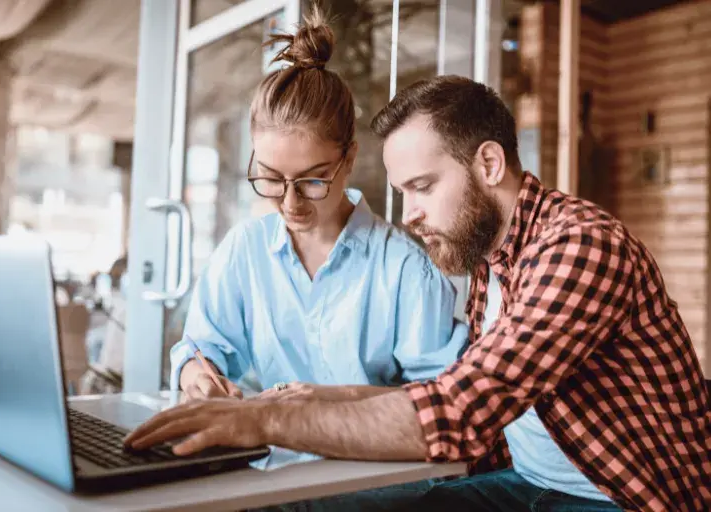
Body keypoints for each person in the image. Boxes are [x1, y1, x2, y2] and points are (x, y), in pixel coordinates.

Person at [125, 75, 711, 512]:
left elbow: (460, 410)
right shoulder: (495, 259)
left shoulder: (581, 247)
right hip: (525, 486)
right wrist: (324, 400)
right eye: (402, 192)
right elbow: (450, 388)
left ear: (488, 163)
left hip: (618, 500)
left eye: (423, 187)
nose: (409, 216)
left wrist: (265, 421)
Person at [168, 12, 468, 406]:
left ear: (349, 159)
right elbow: (201, 348)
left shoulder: (405, 270)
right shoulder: (245, 251)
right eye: (271, 178)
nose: (290, 203)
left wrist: (333, 399)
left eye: (312, 180)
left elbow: (442, 401)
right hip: (268, 459)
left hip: (371, 465)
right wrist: (197, 374)